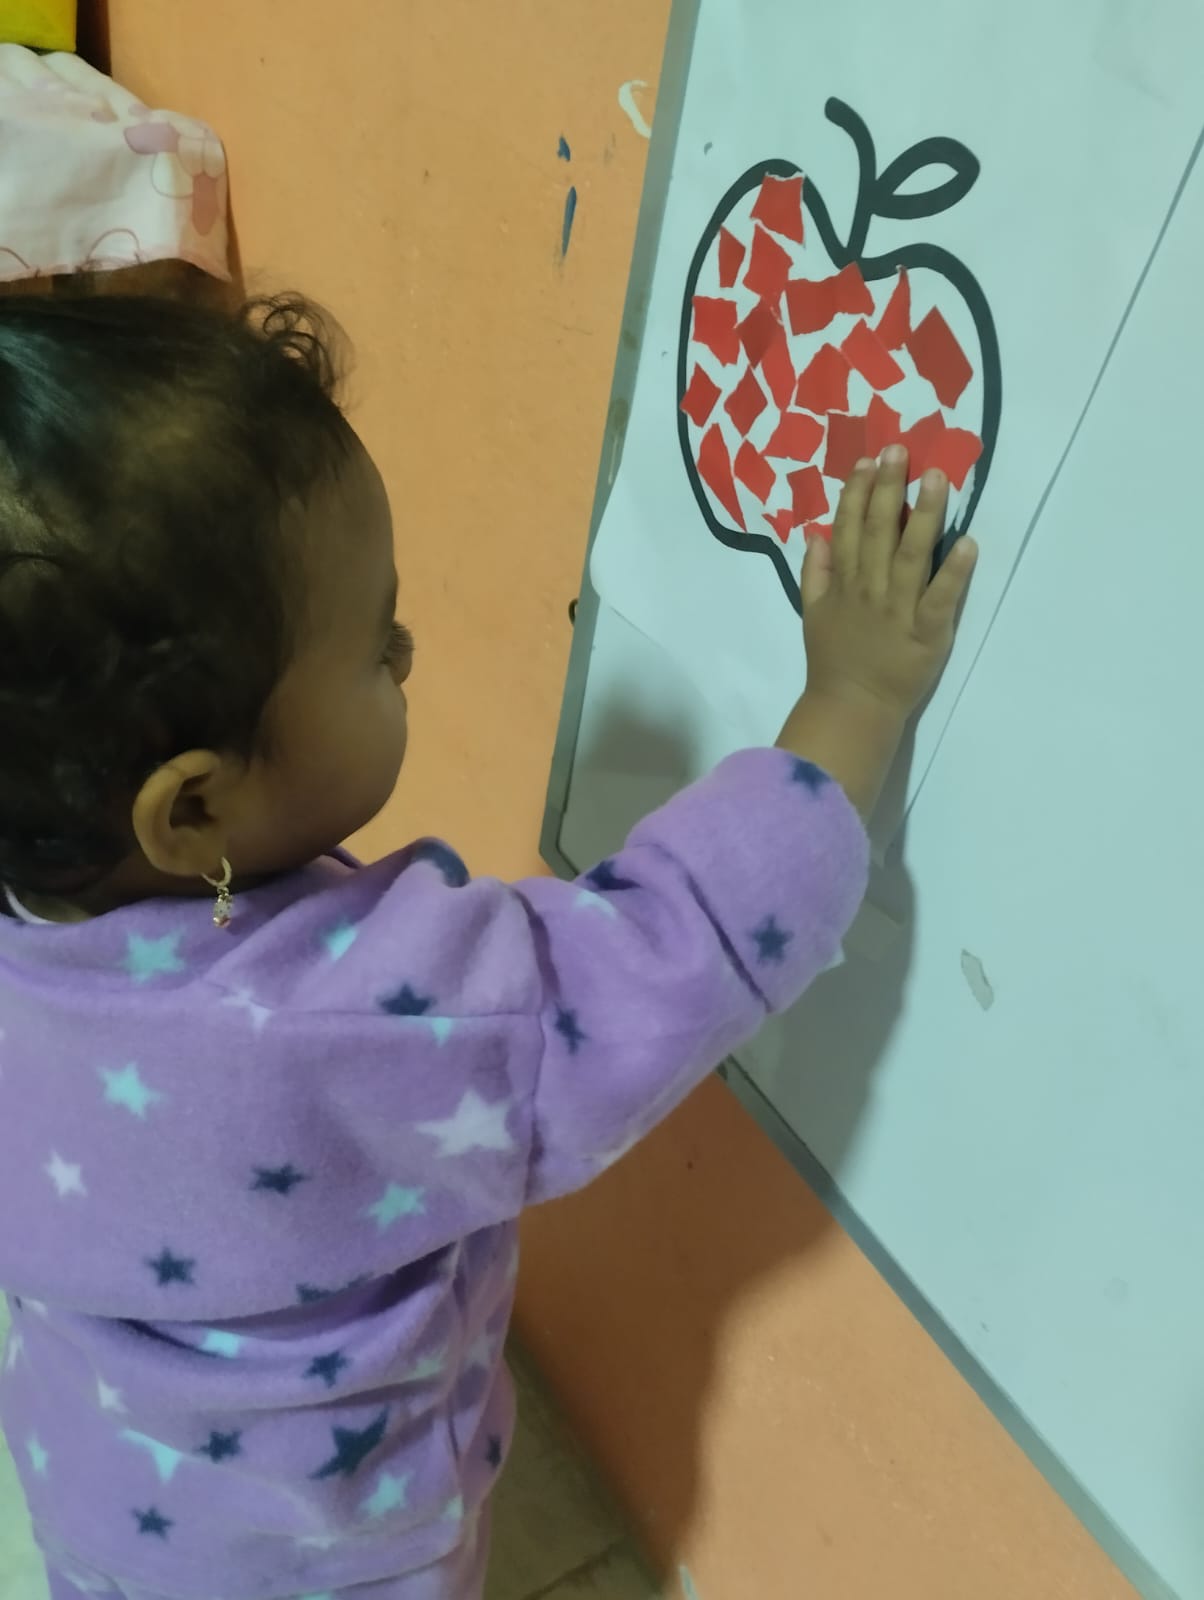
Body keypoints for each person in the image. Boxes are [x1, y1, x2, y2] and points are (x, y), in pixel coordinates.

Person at [0, 291, 976, 1600]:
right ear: (193, 812)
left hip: (104, 1511)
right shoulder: (366, 1017)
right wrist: (851, 700)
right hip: (337, 1566)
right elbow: (664, 952)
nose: (408, 655)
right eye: (378, 646)